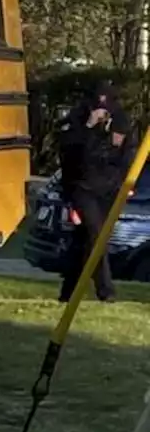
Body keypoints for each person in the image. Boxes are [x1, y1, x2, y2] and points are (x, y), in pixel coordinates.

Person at [57, 79, 130, 303]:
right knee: (96, 235)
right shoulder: (77, 120)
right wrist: (89, 127)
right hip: (82, 186)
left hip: (109, 188)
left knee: (86, 240)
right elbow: (69, 151)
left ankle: (68, 291)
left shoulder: (121, 119)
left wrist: (126, 183)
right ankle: (106, 290)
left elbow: (126, 153)